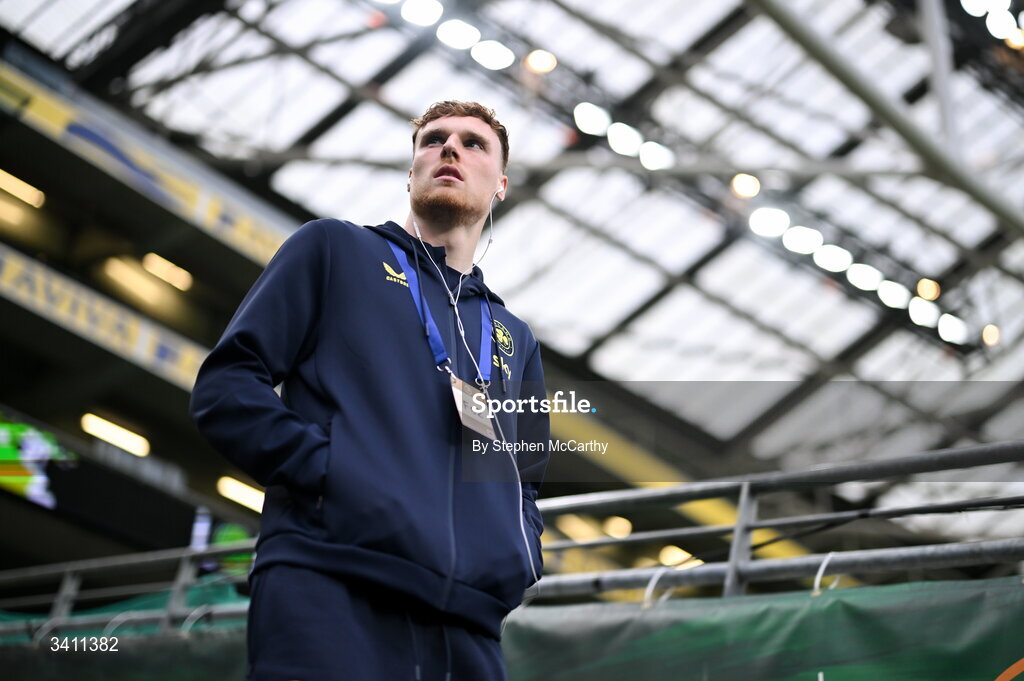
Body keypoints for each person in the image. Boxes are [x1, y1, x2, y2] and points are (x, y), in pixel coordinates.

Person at [190, 100, 550, 681]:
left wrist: (517, 554)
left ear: (501, 185)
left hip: (468, 627)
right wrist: (332, 472)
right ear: (412, 173)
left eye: (474, 143)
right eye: (434, 140)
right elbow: (228, 385)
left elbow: (525, 483)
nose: (451, 149)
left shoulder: (516, 338)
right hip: (329, 586)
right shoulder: (333, 250)